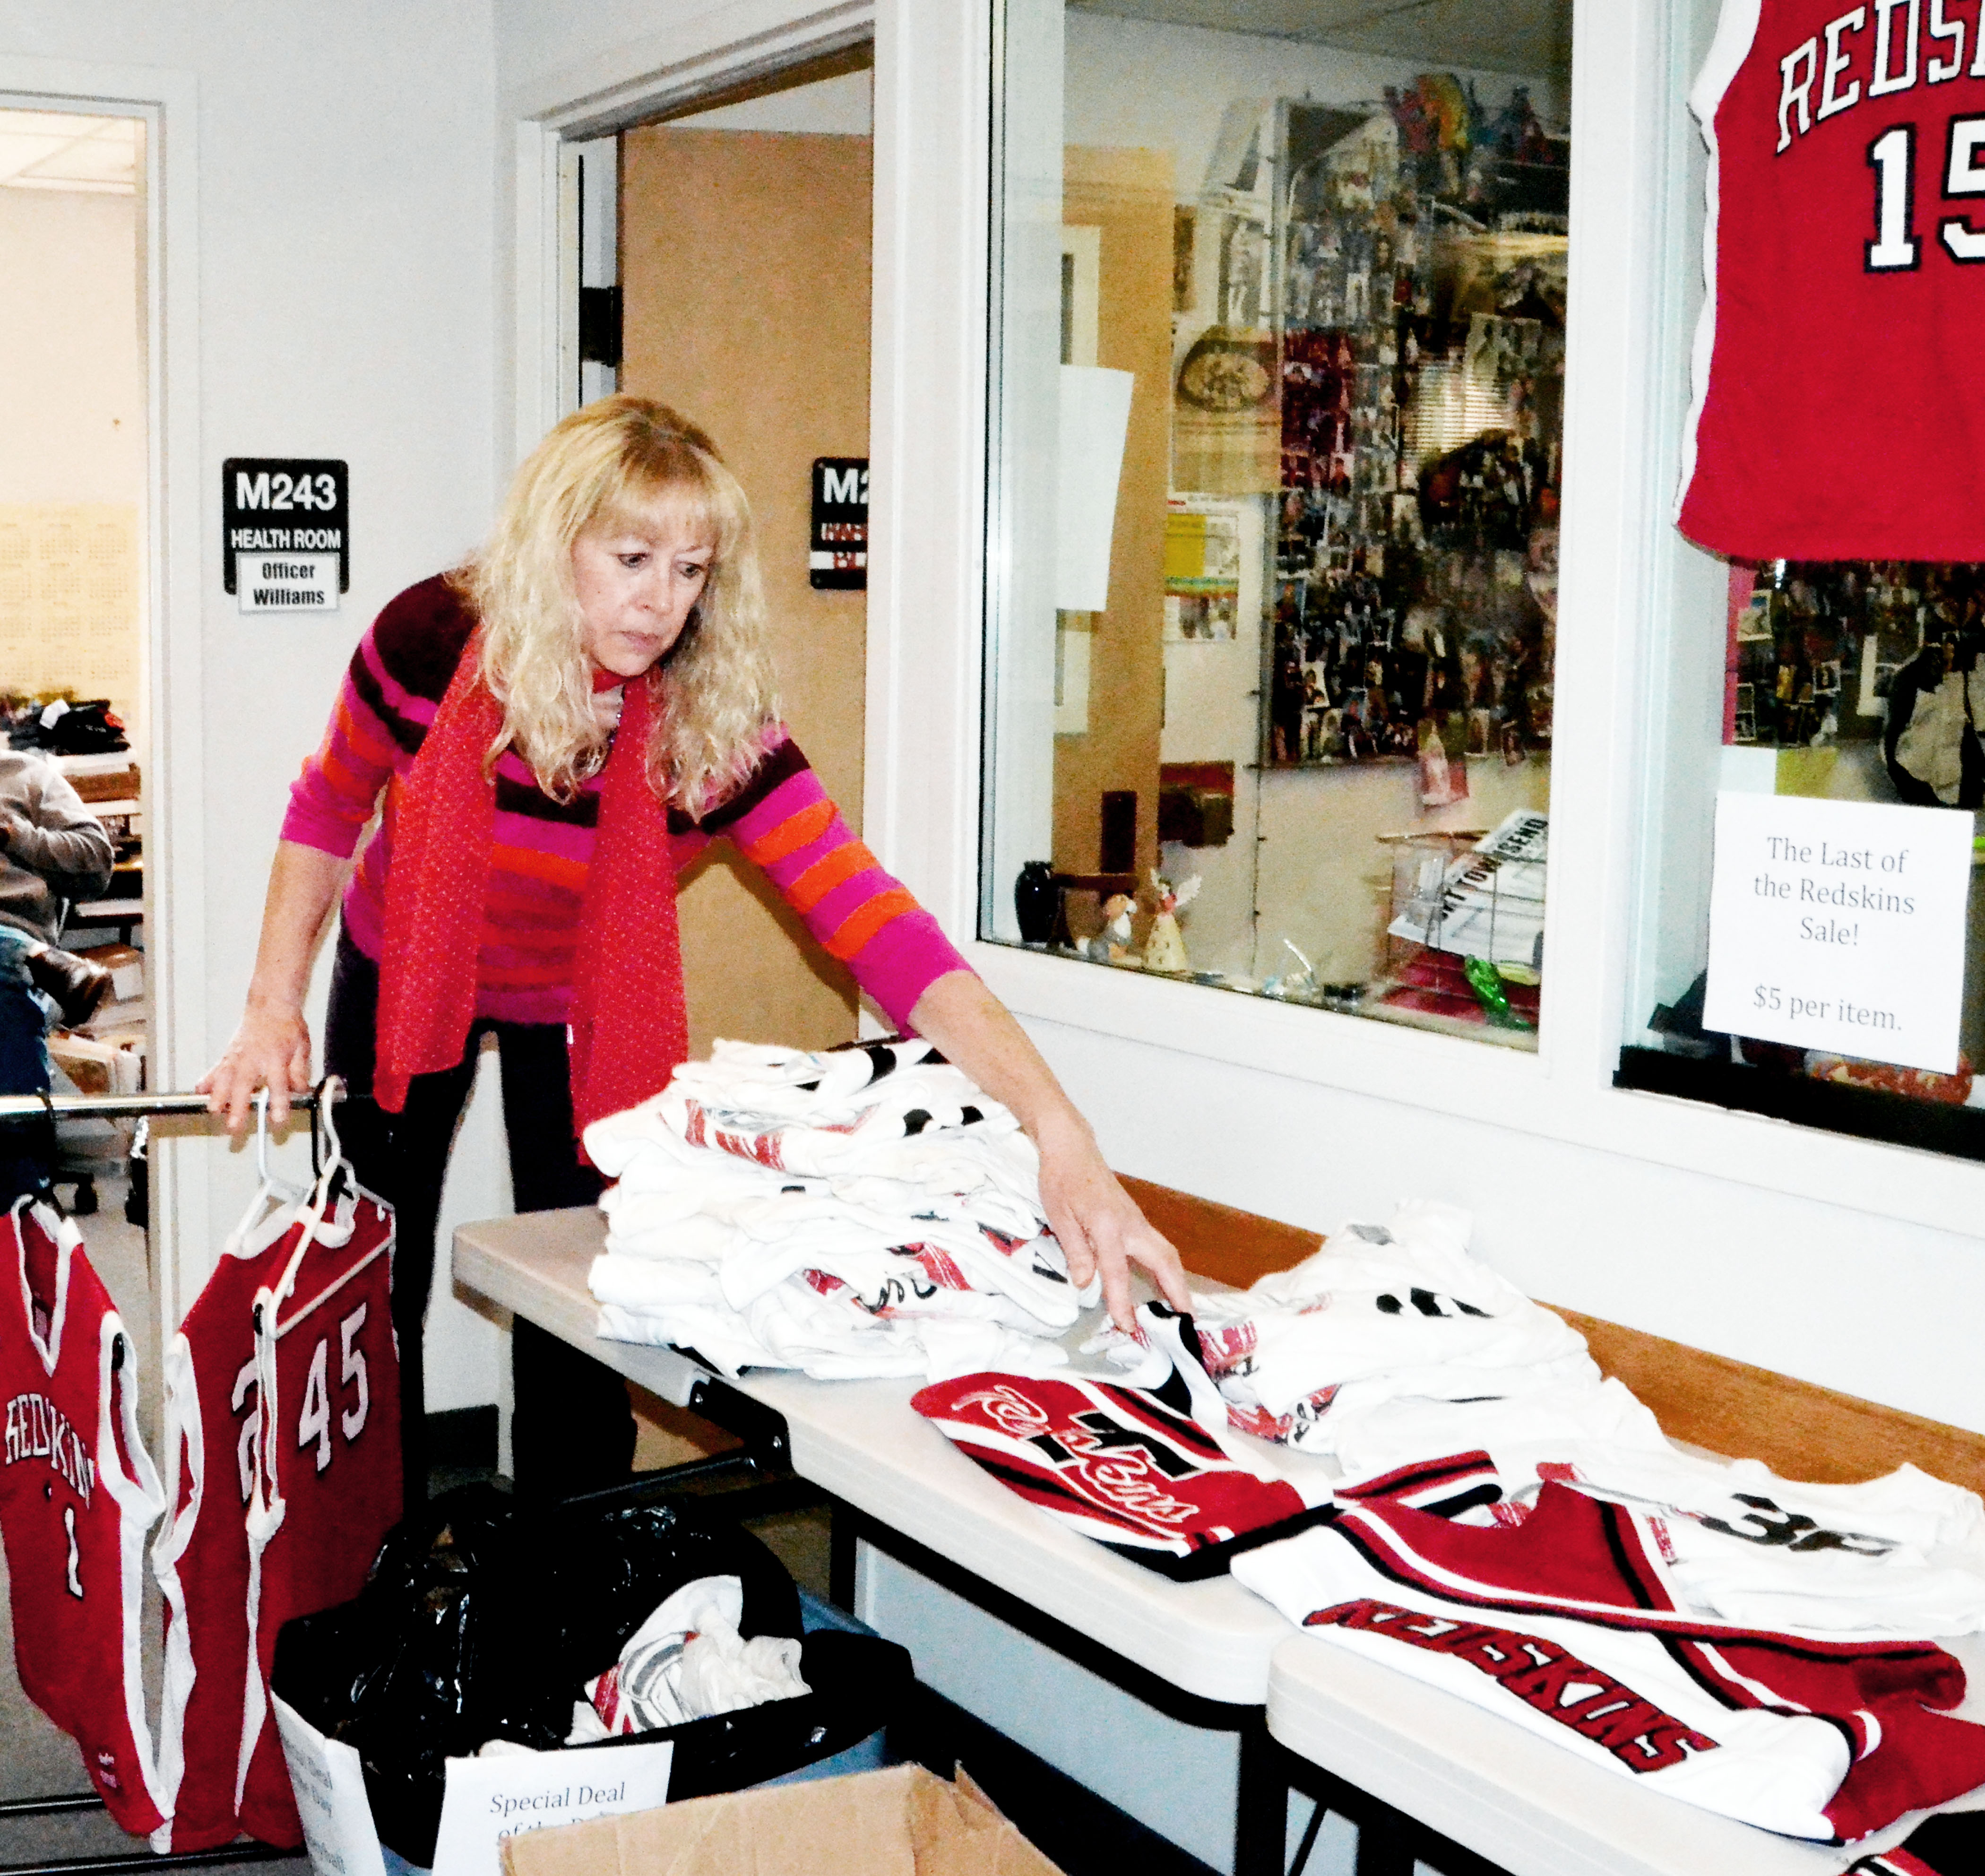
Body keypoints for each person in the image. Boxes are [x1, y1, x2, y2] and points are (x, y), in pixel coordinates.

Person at [199, 396, 1190, 1505]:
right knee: (373, 1276)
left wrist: (1061, 1130)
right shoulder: (428, 641)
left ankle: (571, 1575)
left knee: (583, 1289)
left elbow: (877, 925)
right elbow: (329, 810)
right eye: (630, 557)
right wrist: (269, 1006)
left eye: (690, 570)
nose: (659, 601)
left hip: (578, 1007)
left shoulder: (709, 724)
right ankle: (359, 1554)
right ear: (551, 542)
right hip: (404, 969)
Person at [0, 744, 118, 1203]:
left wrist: (14, 835)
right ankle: (30, 958)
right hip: (32, 966)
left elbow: (96, 861)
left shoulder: (27, 776)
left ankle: (25, 1209)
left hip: (9, 941)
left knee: (6, 988)